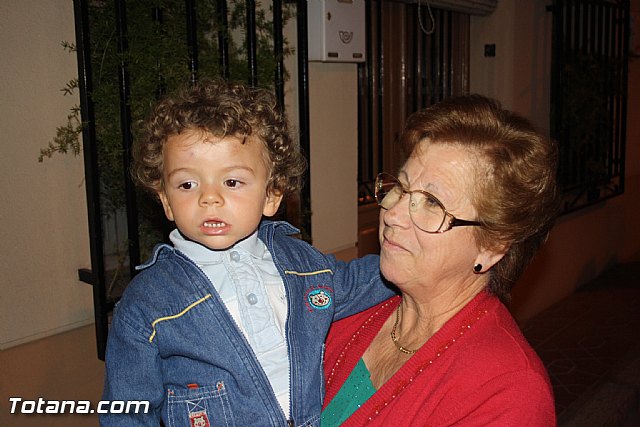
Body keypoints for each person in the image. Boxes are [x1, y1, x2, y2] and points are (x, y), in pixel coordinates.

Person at [101, 79, 395, 426]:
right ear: (166, 200)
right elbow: (127, 413)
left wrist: (422, 260)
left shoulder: (302, 266)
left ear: (271, 195)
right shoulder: (146, 305)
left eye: (232, 182)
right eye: (187, 184)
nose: (209, 198)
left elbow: (365, 280)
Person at [321, 94, 559, 426]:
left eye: (432, 202)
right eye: (401, 188)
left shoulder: (508, 393)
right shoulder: (347, 304)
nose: (393, 213)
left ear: (492, 246)